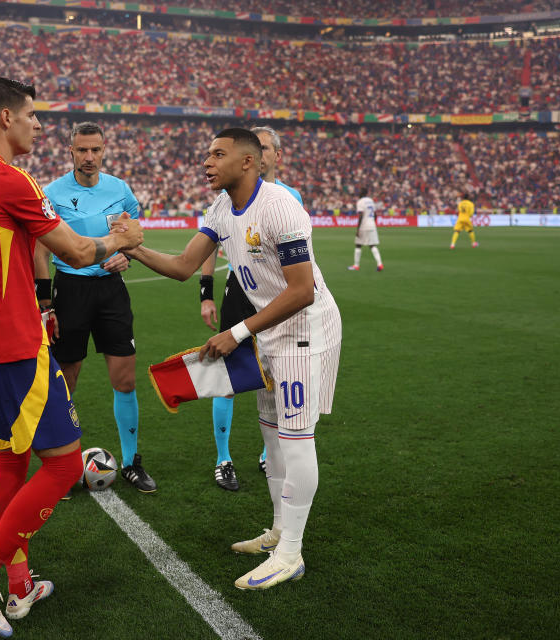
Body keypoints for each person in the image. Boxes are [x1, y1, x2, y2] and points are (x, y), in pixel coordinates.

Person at [0, 77, 143, 636]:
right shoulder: (13, 179)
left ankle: (18, 588)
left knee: (9, 462)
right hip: (18, 348)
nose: (39, 125)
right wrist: (124, 240)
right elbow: (75, 250)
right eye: (32, 115)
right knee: (65, 465)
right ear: (5, 119)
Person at [126, 128, 341, 591]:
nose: (207, 161)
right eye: (207, 153)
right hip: (268, 331)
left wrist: (237, 332)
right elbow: (184, 266)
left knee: (297, 439)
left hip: (304, 331)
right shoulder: (222, 208)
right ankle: (280, 532)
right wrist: (132, 246)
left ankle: (291, 554)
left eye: (217, 154)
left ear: (249, 162)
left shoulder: (281, 206)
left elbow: (303, 291)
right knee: (273, 436)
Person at [34, 121, 156, 494]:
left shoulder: (119, 189)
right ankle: (64, 466)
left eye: (95, 150)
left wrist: (127, 257)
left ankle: (133, 462)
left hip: (111, 292)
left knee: (125, 379)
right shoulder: (52, 192)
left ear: (104, 150)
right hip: (70, 290)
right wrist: (46, 302)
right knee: (65, 381)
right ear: (70, 151)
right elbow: (39, 248)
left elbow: (132, 233)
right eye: (82, 150)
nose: (89, 157)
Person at [198, 125, 302, 491]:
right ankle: (223, 457)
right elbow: (206, 247)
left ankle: (267, 451)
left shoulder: (287, 199)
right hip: (239, 292)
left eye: (270, 147)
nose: (265, 152)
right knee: (228, 378)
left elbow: (297, 274)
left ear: (271, 156)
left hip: (277, 300)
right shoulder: (227, 201)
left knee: (272, 375)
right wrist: (206, 292)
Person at [348, 187, 384, 271]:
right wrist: (373, 222)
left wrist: (358, 229)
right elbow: (375, 214)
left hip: (364, 226)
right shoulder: (371, 201)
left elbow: (360, 215)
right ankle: (380, 264)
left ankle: (356, 266)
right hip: (372, 225)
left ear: (361, 193)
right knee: (372, 245)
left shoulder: (360, 202)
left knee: (358, 245)